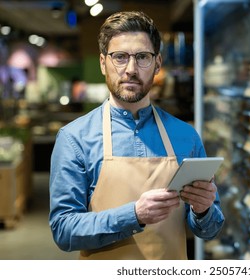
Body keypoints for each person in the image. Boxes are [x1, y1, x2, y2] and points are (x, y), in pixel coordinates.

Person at [49, 11, 225, 260]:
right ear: (102, 63)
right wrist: (134, 215)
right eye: (120, 57)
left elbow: (210, 230)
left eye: (142, 57)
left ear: (158, 64)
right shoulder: (74, 138)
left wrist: (203, 210)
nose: (131, 69)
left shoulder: (186, 136)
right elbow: (63, 231)